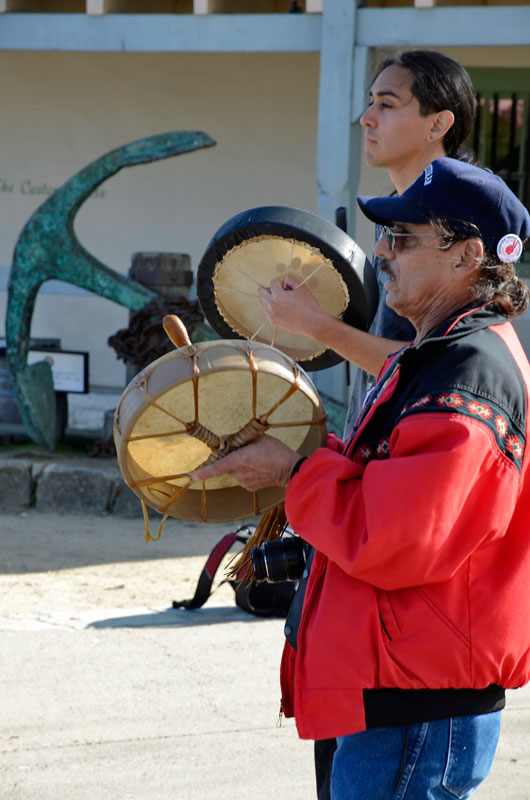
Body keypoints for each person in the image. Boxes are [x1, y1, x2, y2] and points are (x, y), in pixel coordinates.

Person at [191, 157, 530, 799]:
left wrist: (295, 469)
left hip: (419, 705)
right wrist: (309, 451)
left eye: (402, 238)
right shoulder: (445, 354)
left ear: (467, 257)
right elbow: (391, 477)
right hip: (405, 688)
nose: (380, 251)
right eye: (385, 235)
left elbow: (394, 536)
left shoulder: (466, 372)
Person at [258, 48, 478, 797]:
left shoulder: (462, 232)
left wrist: (319, 326)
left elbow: (433, 365)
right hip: (364, 570)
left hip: (416, 618)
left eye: (388, 102)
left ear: (439, 121)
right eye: (369, 101)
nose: (367, 116)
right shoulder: (401, 230)